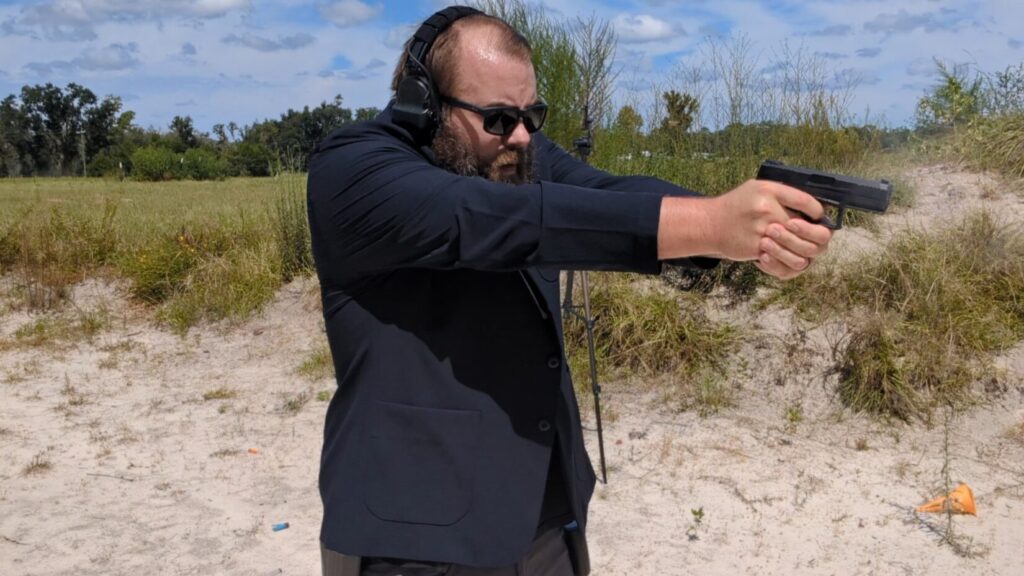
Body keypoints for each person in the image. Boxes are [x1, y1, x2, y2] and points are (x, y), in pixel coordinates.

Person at [306, 6, 832, 576]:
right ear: (424, 103)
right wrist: (712, 226)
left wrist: (743, 228)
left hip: (544, 513)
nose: (524, 134)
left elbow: (608, 193)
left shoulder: (515, 151)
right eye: (499, 118)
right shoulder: (356, 171)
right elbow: (499, 219)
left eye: (533, 112)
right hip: (415, 541)